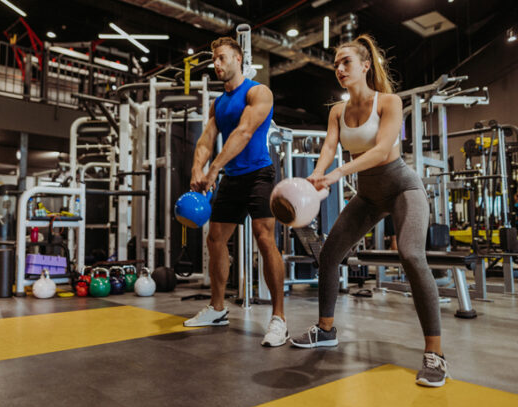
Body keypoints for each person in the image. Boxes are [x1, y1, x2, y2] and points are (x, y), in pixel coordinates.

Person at [289, 34, 449, 387]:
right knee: (329, 255)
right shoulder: (337, 112)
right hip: (369, 196)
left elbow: (380, 151)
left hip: (403, 189)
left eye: (346, 62)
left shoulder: (388, 102)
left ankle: (435, 355)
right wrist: (318, 172)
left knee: (410, 255)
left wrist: (336, 174)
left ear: (365, 66)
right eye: (335, 64)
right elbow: (330, 146)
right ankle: (327, 330)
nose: (340, 69)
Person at [183, 37, 288, 347]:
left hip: (259, 174)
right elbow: (206, 138)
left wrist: (213, 170)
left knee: (264, 238)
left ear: (238, 59)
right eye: (214, 58)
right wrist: (195, 169)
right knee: (215, 239)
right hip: (232, 177)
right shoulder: (219, 102)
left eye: (223, 58)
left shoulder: (258, 92)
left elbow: (244, 132)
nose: (217, 63)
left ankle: (279, 318)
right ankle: (217, 308)